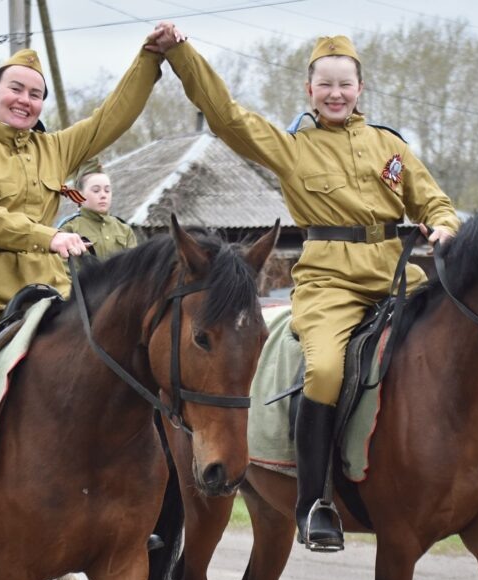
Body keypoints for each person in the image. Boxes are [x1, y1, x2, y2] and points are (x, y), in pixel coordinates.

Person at [147, 26, 460, 551]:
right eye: (326, 85)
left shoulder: (390, 146)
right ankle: (315, 503)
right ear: (309, 90)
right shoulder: (293, 149)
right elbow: (228, 117)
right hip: (330, 283)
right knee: (326, 370)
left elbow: (432, 200)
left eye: (345, 84)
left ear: (360, 88)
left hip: (397, 275)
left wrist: (445, 224)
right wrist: (182, 55)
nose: (336, 94)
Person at [0, 40, 165, 554]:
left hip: (48, 291)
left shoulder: (54, 148)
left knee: (120, 364)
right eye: (16, 89)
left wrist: (149, 59)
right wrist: (46, 235)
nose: (26, 100)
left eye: (36, 94)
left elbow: (112, 118)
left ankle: (126, 502)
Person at [58, 159, 137, 260]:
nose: (103, 195)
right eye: (96, 190)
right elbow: (62, 267)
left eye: (107, 190)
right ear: (79, 194)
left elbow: (136, 265)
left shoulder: (124, 229)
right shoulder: (69, 230)